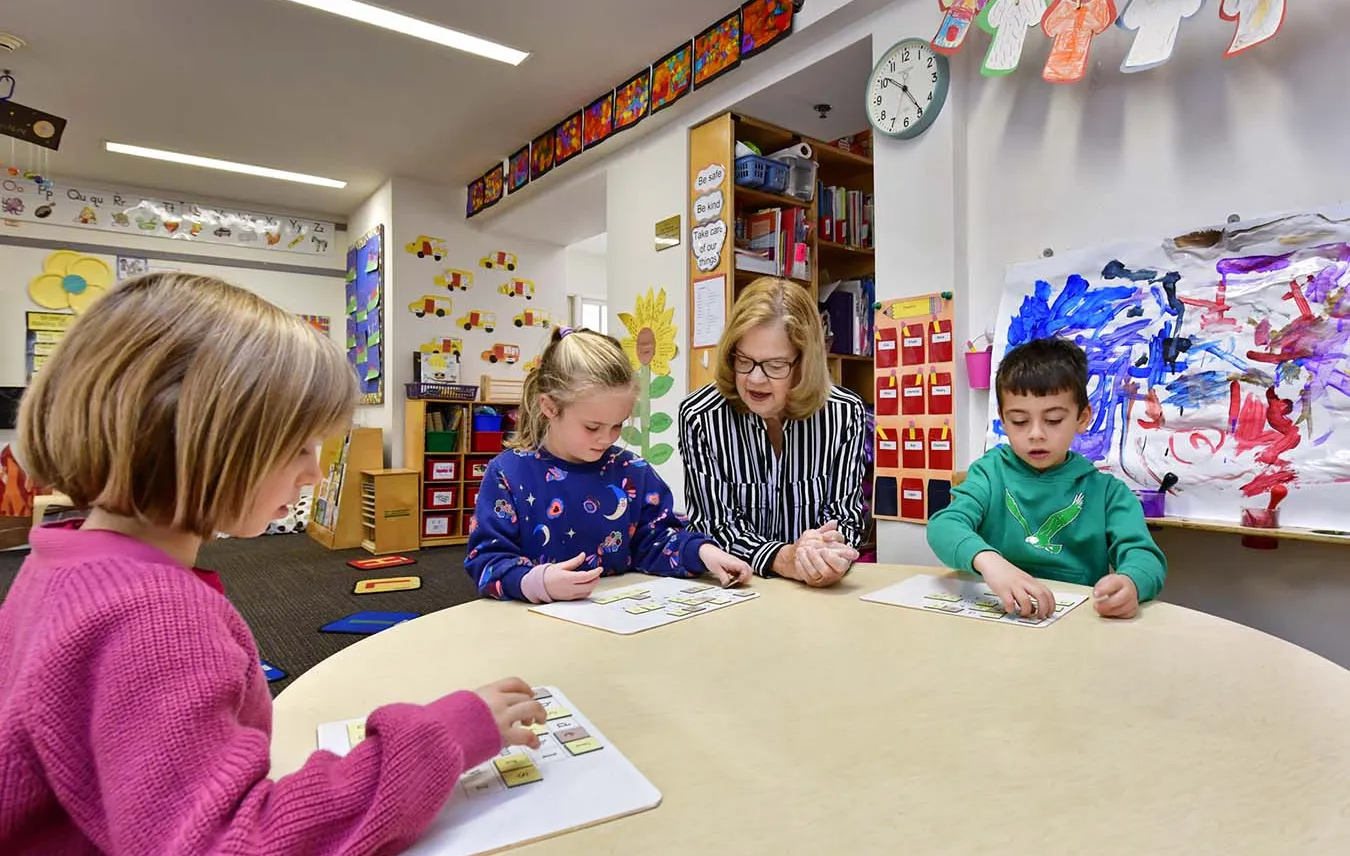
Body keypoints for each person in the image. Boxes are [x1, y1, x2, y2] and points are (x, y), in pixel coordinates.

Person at [0, 273, 547, 855]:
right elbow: (233, 843)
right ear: (205, 440)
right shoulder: (151, 617)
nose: (313, 474)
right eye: (300, 449)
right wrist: (442, 737)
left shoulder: (63, 558)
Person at [466, 327, 752, 602]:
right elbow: (488, 561)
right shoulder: (508, 474)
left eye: (617, 425)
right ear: (550, 407)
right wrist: (536, 582)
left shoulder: (633, 471)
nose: (607, 438)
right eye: (592, 427)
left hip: (615, 621)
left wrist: (704, 553)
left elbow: (655, 541)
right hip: (533, 625)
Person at [927, 336, 1167, 619]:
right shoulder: (990, 473)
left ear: (1082, 418)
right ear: (1003, 421)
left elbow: (1143, 555)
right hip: (995, 614)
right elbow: (944, 525)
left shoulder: (1106, 492)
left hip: (1072, 621)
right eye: (1019, 421)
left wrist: (1132, 583)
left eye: (1053, 420)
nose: (1036, 433)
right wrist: (989, 561)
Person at [679, 276, 867, 588]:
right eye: (744, 360)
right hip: (738, 589)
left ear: (805, 363)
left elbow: (846, 514)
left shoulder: (844, 413)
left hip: (816, 597)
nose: (754, 379)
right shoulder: (701, 417)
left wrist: (828, 553)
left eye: (775, 366)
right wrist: (784, 558)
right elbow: (714, 526)